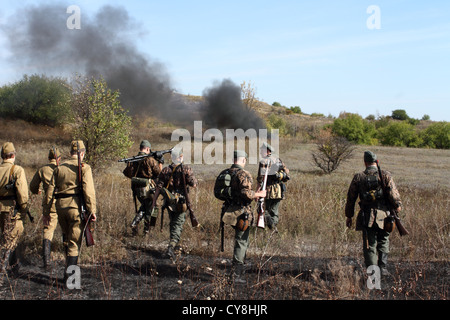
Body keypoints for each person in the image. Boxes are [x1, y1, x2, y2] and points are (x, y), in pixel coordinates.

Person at [45, 140, 97, 283]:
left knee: (67, 240)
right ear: (82, 153)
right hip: (76, 208)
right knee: (74, 243)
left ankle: (66, 274)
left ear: (70, 153)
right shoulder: (84, 168)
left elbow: (49, 193)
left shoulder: (59, 168)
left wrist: (46, 212)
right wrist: (92, 211)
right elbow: (89, 191)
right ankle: (71, 281)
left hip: (60, 208)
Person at [344, 151, 403, 276]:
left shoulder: (358, 177)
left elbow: (351, 198)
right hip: (385, 216)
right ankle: (383, 268)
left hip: (367, 216)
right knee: (384, 240)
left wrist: (349, 216)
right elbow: (393, 194)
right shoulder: (385, 175)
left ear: (365, 162)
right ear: (377, 161)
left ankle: (372, 272)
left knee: (369, 245)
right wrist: (398, 205)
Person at [220, 150, 266, 282]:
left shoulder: (226, 172)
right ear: (243, 160)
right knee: (241, 241)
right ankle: (236, 273)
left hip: (228, 210)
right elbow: (246, 193)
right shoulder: (243, 174)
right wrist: (259, 194)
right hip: (241, 212)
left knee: (241, 240)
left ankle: (239, 266)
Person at [151, 147, 197, 259]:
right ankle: (171, 247)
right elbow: (194, 184)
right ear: (180, 157)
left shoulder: (166, 170)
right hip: (181, 203)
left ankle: (175, 245)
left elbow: (158, 187)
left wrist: (154, 201)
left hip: (169, 202)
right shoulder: (186, 169)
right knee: (178, 224)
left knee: (173, 222)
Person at [29, 147, 62, 269]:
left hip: (49, 204)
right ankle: (68, 257)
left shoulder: (42, 170)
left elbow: (32, 187)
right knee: (67, 229)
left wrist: (37, 190)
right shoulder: (62, 169)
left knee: (48, 230)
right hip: (64, 202)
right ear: (59, 158)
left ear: (49, 158)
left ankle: (46, 262)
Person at [0, 142, 29, 274]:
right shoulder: (17, 170)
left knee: (6, 237)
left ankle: (13, 266)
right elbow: (23, 194)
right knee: (12, 238)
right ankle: (2, 269)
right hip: (11, 209)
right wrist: (24, 208)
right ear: (13, 155)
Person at [123, 140, 162, 235]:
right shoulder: (150, 160)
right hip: (147, 189)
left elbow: (127, 173)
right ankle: (144, 229)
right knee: (151, 207)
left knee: (145, 206)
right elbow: (159, 173)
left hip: (136, 188)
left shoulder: (133, 160)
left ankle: (139, 225)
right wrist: (160, 161)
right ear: (148, 149)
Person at [257, 142, 290, 231]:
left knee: (264, 210)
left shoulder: (264, 161)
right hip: (278, 190)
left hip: (267, 190)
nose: (260, 152)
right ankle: (273, 229)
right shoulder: (278, 160)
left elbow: (261, 178)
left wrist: (258, 191)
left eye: (262, 150)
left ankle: (272, 228)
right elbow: (287, 172)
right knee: (274, 212)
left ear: (267, 151)